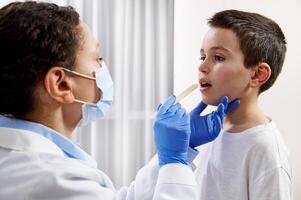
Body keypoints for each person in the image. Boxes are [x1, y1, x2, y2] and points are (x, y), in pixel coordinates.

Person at [0, 2, 238, 199]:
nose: (103, 68)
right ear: (61, 84)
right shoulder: (51, 179)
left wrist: (179, 153)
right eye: (97, 58)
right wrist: (174, 162)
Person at [193, 10, 292, 200]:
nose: (202, 67)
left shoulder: (265, 149)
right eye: (202, 56)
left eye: (218, 57)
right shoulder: (210, 133)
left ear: (257, 74)